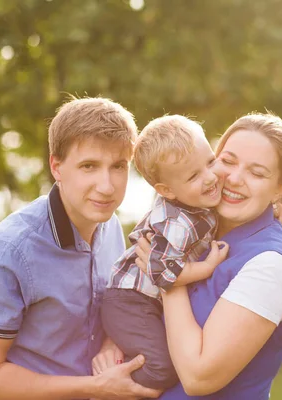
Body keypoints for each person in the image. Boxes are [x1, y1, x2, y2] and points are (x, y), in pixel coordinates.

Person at [0, 97, 160, 400]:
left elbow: (110, 309)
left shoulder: (110, 227)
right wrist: (97, 388)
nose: (106, 186)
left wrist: (111, 343)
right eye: (89, 166)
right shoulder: (5, 254)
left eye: (118, 166)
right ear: (56, 166)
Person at [135, 113, 282, 399]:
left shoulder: (271, 264)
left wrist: (169, 276)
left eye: (257, 173)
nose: (234, 179)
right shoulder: (193, 229)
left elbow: (199, 377)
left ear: (278, 190)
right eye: (226, 161)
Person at [100, 115, 230, 390]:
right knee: (163, 367)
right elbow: (162, 272)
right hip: (130, 301)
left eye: (210, 162)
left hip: (144, 300)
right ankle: (112, 390)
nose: (210, 178)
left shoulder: (196, 201)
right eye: (194, 175)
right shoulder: (176, 224)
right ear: (167, 190)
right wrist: (206, 268)